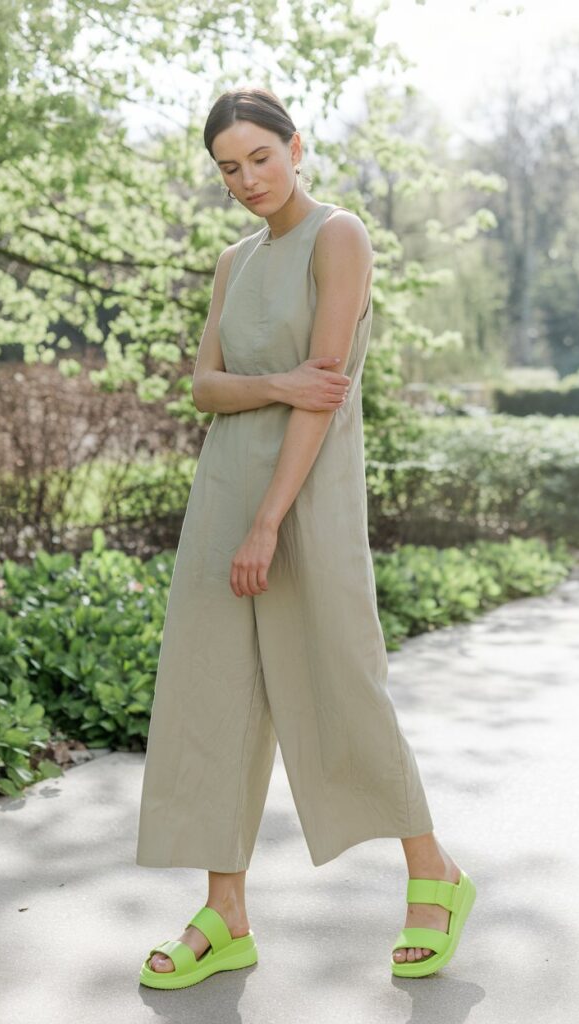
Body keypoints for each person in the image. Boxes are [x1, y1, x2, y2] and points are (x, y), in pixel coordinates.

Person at [136, 86, 476, 989]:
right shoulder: (231, 259)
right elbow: (204, 388)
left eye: (259, 157)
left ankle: (433, 874)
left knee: (339, 685)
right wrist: (277, 383)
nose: (246, 179)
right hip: (222, 496)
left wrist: (269, 519)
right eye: (228, 168)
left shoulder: (340, 235)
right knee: (210, 694)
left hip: (303, 498)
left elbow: (325, 391)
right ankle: (226, 912)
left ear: (295, 146)